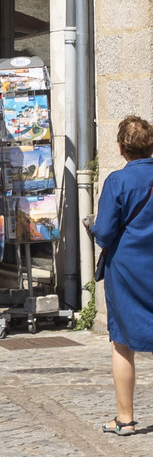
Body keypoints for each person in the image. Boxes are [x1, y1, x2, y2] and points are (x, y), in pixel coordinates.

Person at [94, 114, 153, 436]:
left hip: (128, 268)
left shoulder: (118, 181)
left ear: (120, 148)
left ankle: (125, 418)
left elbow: (104, 232)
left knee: (122, 343)